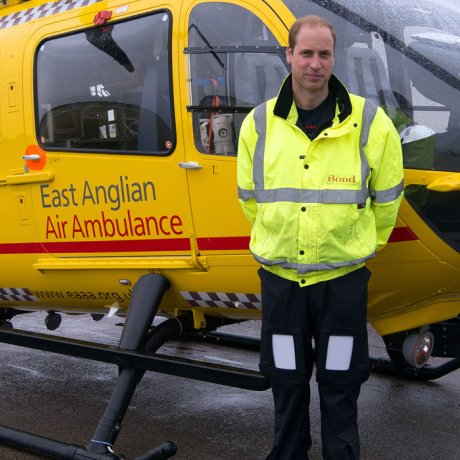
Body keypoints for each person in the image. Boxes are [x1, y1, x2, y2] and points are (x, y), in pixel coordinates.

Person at [237, 15, 404, 460]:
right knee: (287, 382)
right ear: (287, 55)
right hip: (282, 282)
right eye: (306, 53)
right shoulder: (257, 125)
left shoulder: (371, 123)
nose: (315, 64)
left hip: (342, 283)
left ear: (335, 58)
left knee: (340, 383)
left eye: (324, 54)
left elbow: (387, 203)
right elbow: (250, 199)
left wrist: (353, 246)